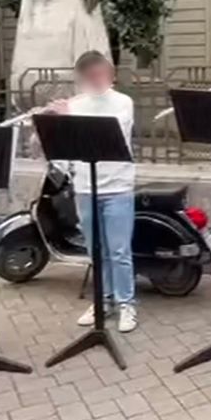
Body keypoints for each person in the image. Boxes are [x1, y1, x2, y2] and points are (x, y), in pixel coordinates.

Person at [46, 51, 139, 332]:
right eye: (90, 76)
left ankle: (126, 304)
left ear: (110, 75)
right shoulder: (75, 104)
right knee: (95, 250)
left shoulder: (123, 102)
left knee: (119, 250)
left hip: (118, 187)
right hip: (85, 188)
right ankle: (103, 300)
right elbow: (63, 151)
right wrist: (53, 126)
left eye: (101, 74)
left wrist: (69, 118)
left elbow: (111, 131)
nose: (96, 80)